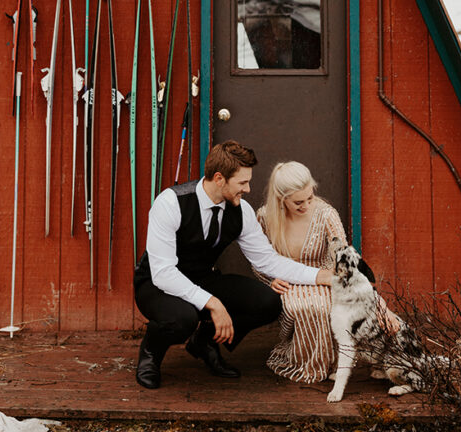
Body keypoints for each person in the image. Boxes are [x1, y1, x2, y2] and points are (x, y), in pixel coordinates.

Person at [133, 140, 336, 389]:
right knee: (183, 319)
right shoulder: (171, 203)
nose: (249, 189)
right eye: (242, 183)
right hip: (157, 285)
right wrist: (213, 304)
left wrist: (319, 276)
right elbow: (163, 273)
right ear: (219, 179)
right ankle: (151, 353)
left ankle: (205, 342)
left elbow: (267, 260)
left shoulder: (241, 211)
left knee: (268, 302)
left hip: (202, 278)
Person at [255, 160, 347, 383]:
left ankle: (326, 362)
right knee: (302, 306)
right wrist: (269, 279)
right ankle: (303, 362)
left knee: (319, 306)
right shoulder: (265, 217)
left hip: (322, 277)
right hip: (287, 281)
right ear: (281, 199)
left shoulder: (326, 214)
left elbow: (341, 252)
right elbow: (258, 257)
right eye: (298, 202)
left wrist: (337, 274)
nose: (306, 205)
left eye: (310, 197)